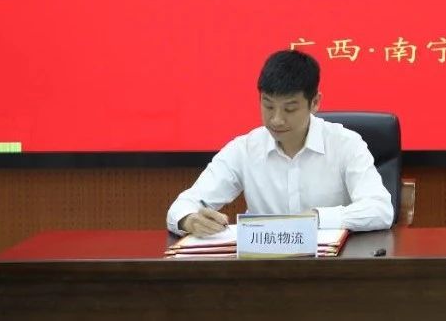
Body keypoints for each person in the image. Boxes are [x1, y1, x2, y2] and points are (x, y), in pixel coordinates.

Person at [167, 50, 394, 235]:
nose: (276, 119)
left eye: (290, 109)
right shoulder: (244, 149)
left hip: (330, 267)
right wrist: (190, 219)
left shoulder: (346, 144)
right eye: (268, 106)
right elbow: (184, 205)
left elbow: (380, 209)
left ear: (315, 103)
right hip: (263, 267)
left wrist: (317, 218)